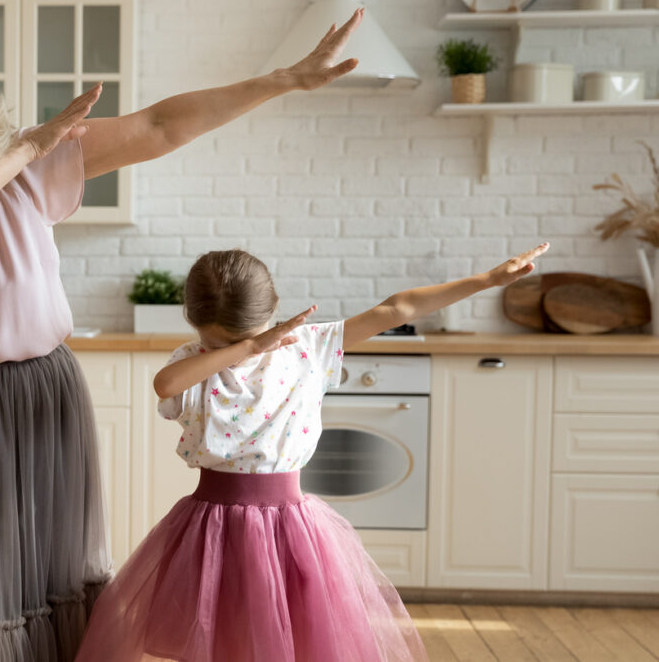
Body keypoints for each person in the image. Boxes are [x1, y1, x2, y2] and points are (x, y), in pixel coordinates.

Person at [0, 9, 367, 662]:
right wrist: (27, 146)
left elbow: (161, 125)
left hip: (39, 395)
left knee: (43, 574)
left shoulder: (28, 167)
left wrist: (283, 79)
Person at [76, 243, 551, 662]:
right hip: (212, 527)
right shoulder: (192, 365)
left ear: (274, 311)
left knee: (291, 639)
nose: (237, 350)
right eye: (219, 342)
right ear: (194, 323)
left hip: (291, 526)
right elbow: (165, 384)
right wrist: (246, 347)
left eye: (244, 338)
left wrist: (487, 280)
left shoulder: (309, 345)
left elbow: (395, 308)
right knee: (215, 638)